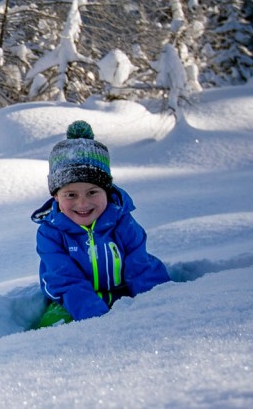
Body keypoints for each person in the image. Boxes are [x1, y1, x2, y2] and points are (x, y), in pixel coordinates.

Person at [33, 120, 171, 328]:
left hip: (122, 295)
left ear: (107, 191)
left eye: (92, 192)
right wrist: (97, 318)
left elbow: (140, 265)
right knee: (54, 326)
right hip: (71, 301)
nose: (82, 203)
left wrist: (156, 304)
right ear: (56, 197)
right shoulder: (51, 233)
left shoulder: (121, 221)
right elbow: (64, 279)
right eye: (71, 194)